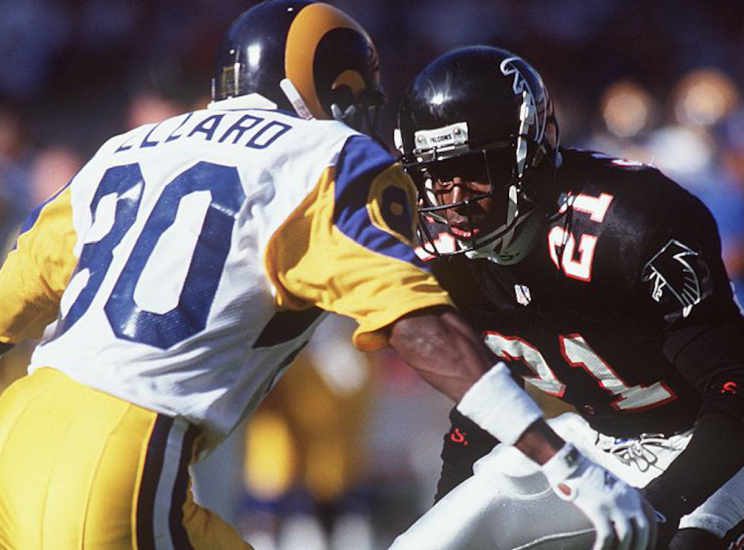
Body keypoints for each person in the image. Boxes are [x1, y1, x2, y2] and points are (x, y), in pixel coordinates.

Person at [0, 1, 654, 548]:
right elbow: (417, 324)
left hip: (17, 432)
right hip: (119, 455)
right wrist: (561, 461)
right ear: (325, 85)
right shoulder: (318, 154)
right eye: (355, 92)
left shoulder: (125, 150)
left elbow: (11, 300)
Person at [391, 45, 744, 550]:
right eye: (436, 175)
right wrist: (445, 510)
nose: (452, 199)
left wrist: (665, 503)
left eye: (472, 168)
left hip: (709, 439)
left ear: (527, 151)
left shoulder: (629, 223)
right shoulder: (448, 257)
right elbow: (484, 402)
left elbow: (735, 387)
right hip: (595, 440)